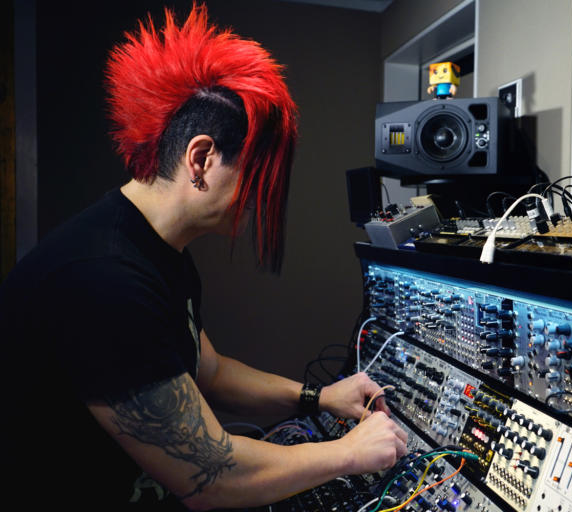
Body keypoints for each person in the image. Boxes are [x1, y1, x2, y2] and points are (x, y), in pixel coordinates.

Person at [0, 4, 407, 510]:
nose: (258, 202)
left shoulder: (158, 250)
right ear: (201, 159)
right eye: (256, 180)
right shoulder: (102, 280)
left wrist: (319, 398)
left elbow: (209, 371)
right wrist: (348, 453)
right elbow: (213, 480)